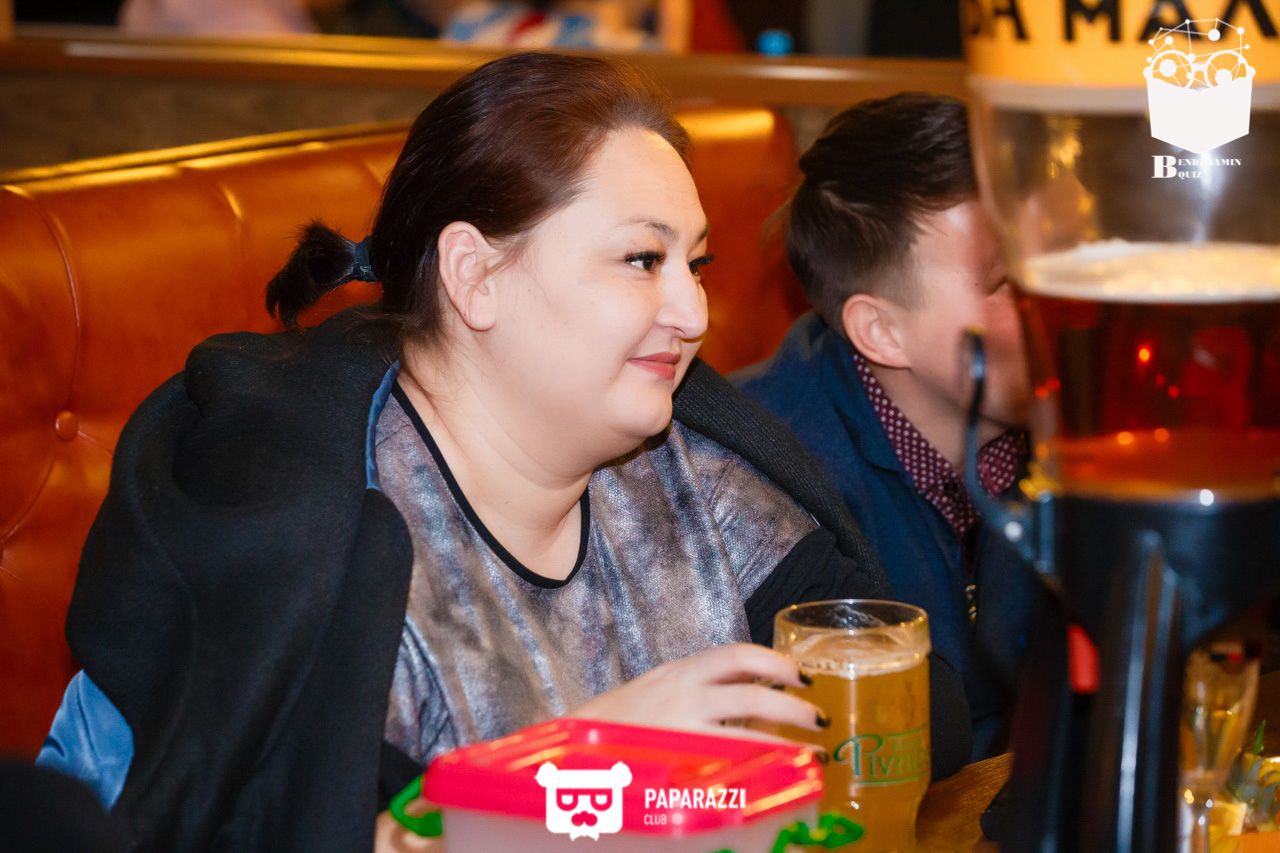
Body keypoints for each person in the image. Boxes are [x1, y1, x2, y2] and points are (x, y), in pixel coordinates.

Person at [35, 55, 971, 850]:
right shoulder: (311, 522)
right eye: (643, 260)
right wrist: (590, 760)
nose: (693, 313)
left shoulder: (692, 459)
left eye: (696, 265)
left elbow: (919, 714)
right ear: (475, 275)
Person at [733, 93, 1036, 761]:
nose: (1058, 298)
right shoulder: (761, 474)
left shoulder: (1093, 420)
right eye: (1006, 279)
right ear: (882, 331)